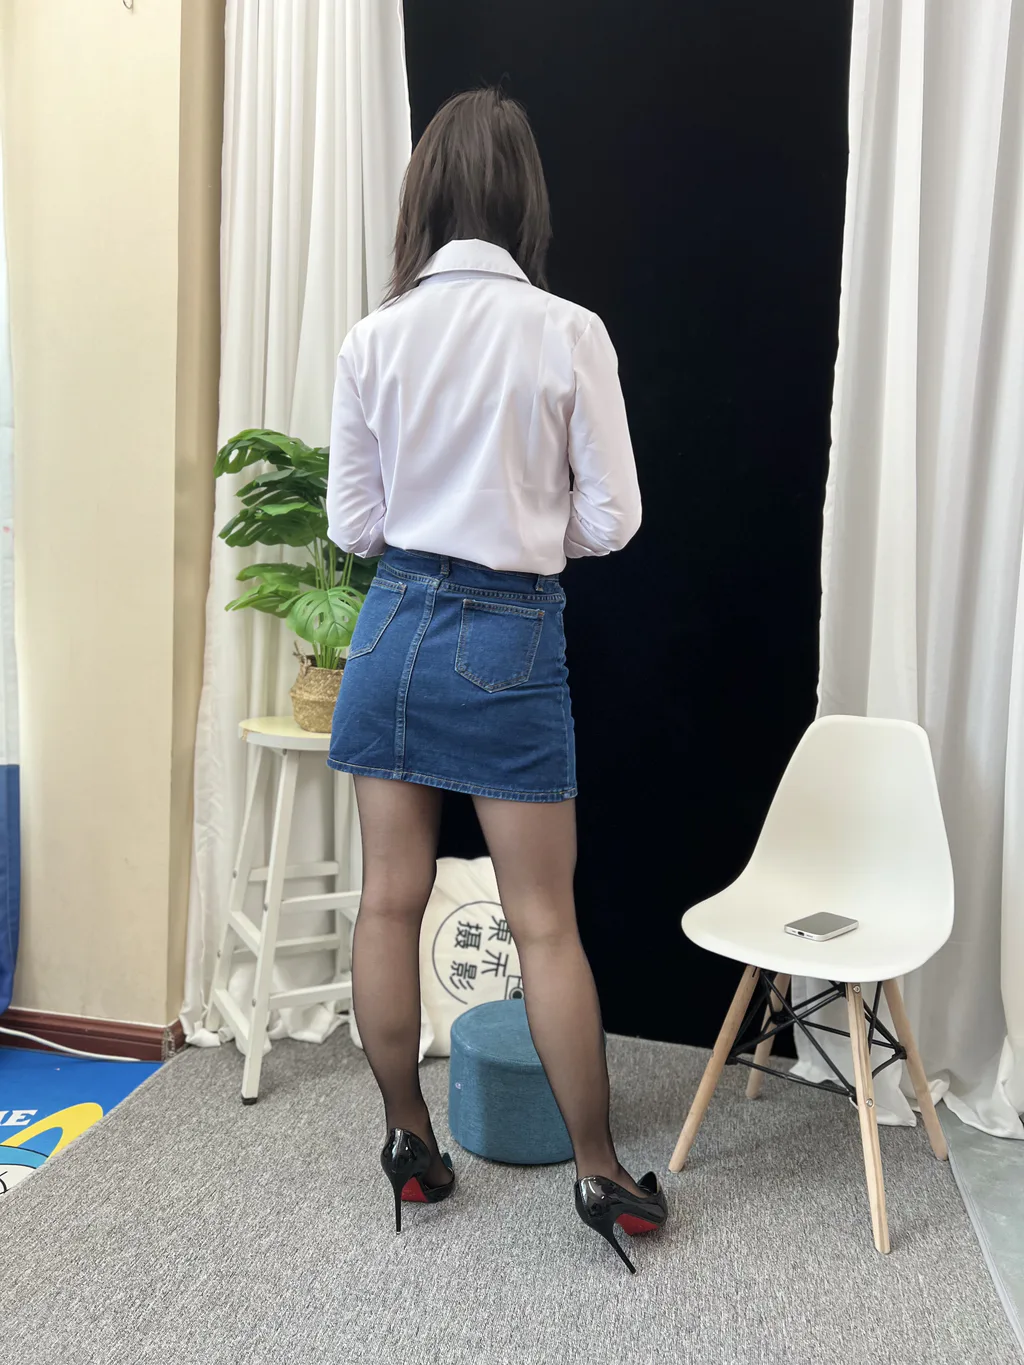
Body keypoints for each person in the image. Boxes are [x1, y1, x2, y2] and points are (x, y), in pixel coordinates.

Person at [326, 87, 666, 1273]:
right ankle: (601, 1175)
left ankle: (408, 1141)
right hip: (507, 633)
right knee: (545, 923)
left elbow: (353, 524)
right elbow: (614, 518)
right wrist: (524, 530)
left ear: (422, 195)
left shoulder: (373, 338)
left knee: (387, 900)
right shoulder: (567, 330)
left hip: (391, 625)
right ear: (526, 200)